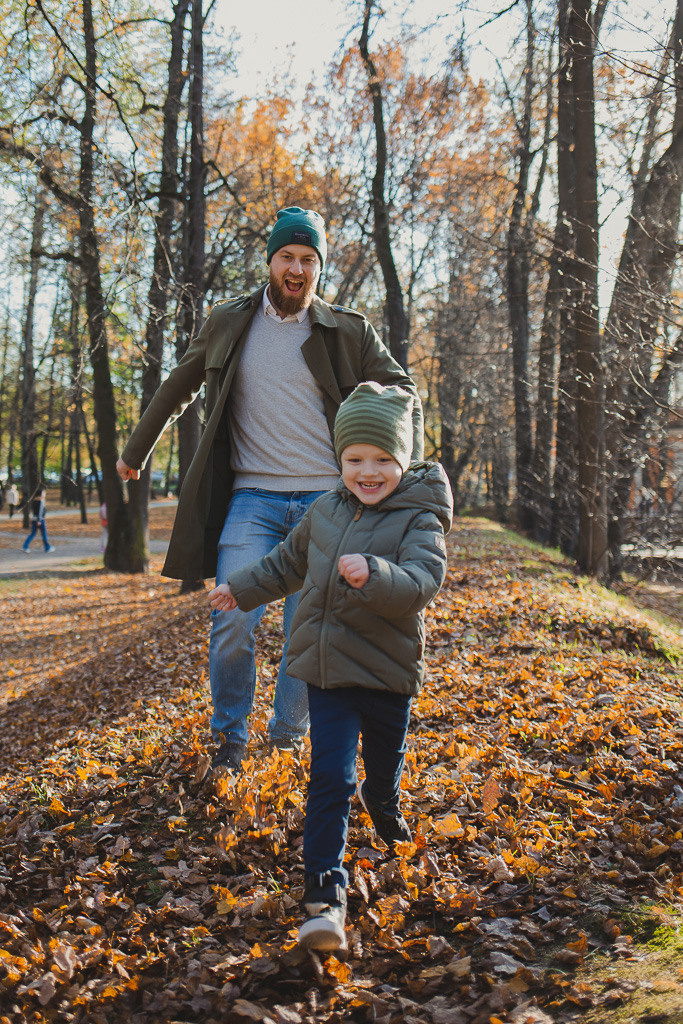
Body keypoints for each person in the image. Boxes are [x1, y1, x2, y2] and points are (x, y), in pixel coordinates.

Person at [116, 206, 423, 773]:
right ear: (270, 261)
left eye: (309, 260)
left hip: (326, 506)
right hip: (251, 500)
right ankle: (230, 739)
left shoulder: (347, 332)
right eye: (288, 256)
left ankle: (284, 738)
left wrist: (395, 465)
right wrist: (136, 451)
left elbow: (404, 389)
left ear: (319, 268)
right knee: (232, 618)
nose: (298, 269)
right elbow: (177, 386)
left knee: (305, 631)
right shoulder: (230, 323)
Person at [209, 382, 453, 951]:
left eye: (382, 460)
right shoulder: (324, 511)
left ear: (404, 459)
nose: (368, 472)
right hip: (328, 671)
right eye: (354, 459)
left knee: (381, 768)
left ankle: (385, 800)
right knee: (330, 777)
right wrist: (239, 589)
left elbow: (422, 581)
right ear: (339, 460)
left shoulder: (419, 518)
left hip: (388, 674)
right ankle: (323, 894)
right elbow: (284, 564)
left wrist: (374, 571)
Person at [22, 487, 54, 553]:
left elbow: (35, 511)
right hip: (40, 520)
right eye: (44, 493)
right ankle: (47, 548)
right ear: (41, 494)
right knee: (44, 534)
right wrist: (39, 520)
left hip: (34, 519)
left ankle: (25, 546)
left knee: (33, 533)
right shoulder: (41, 501)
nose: (45, 494)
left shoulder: (34, 501)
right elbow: (39, 512)